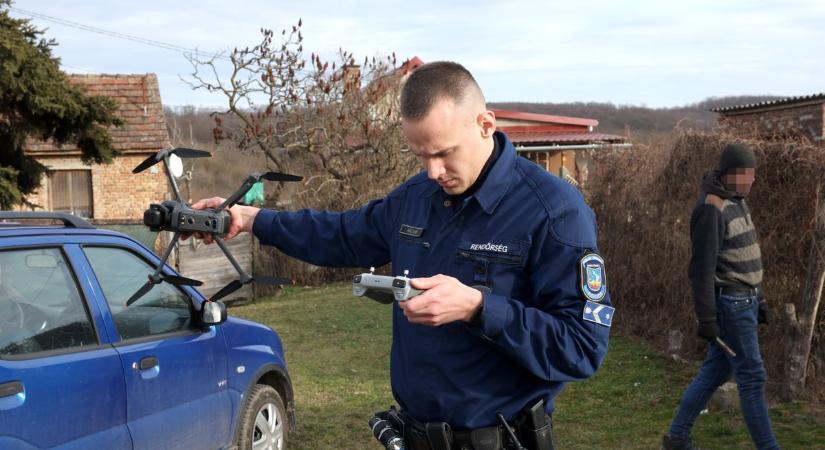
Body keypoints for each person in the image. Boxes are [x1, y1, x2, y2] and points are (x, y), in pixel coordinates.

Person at [191, 61, 612, 450]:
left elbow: (582, 347)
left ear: (486, 124)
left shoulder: (554, 211)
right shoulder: (417, 198)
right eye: (421, 156)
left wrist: (479, 308)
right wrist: (251, 219)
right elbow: (339, 234)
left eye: (445, 153)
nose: (433, 172)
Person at [661, 144, 780, 450]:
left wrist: (761, 299)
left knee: (717, 369)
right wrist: (707, 319)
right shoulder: (712, 208)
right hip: (731, 304)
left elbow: (747, 256)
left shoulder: (736, 200)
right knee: (752, 378)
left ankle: (677, 438)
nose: (753, 180)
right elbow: (702, 269)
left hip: (747, 300)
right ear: (730, 174)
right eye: (747, 174)